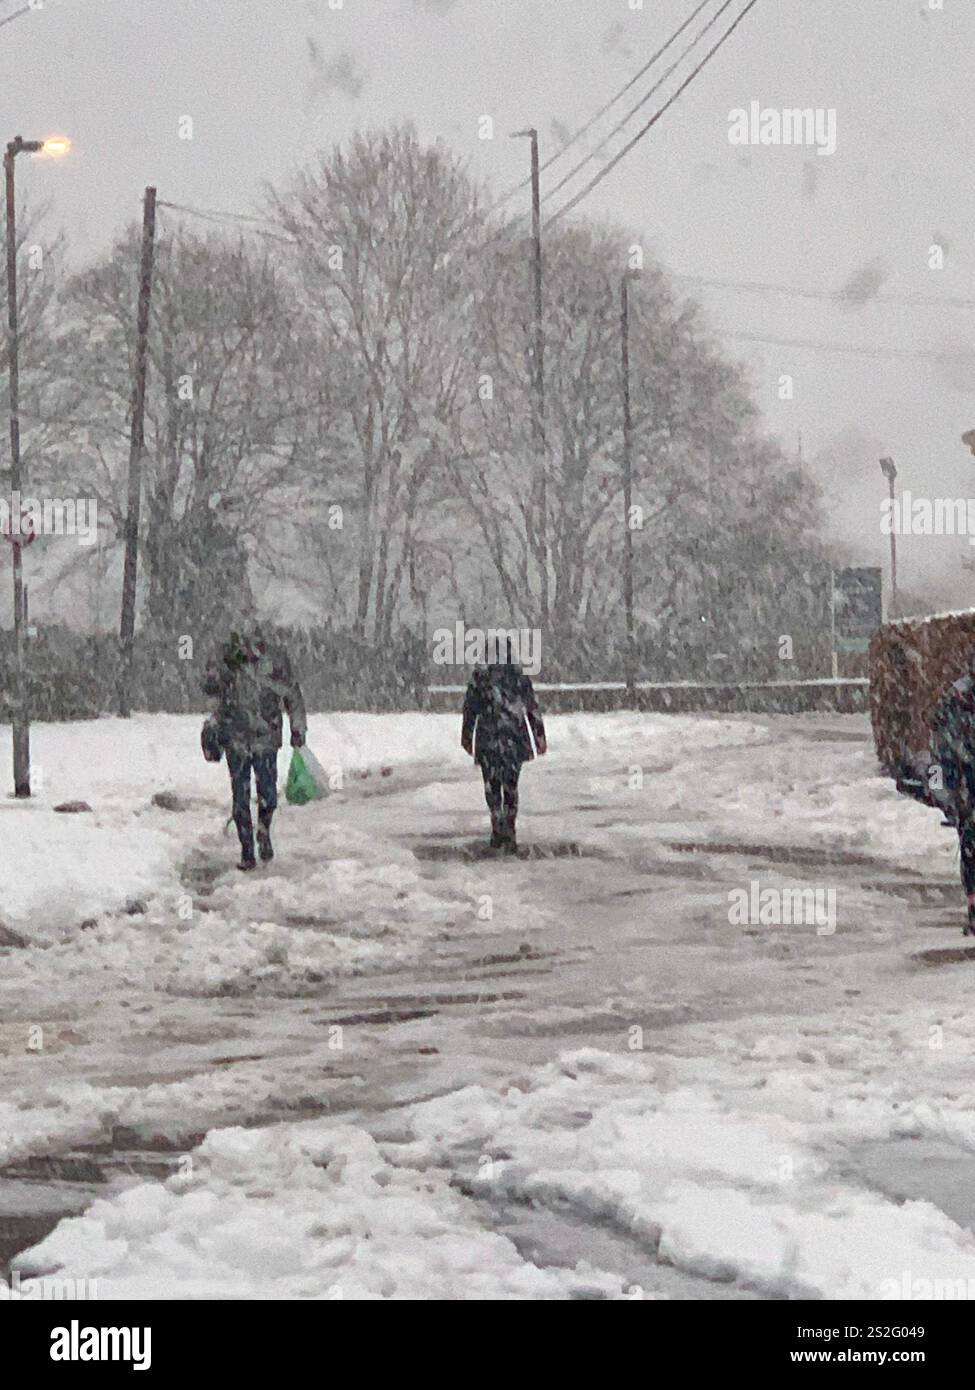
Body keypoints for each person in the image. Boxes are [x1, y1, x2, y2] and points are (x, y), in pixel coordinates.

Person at [202, 628, 307, 870]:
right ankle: (246, 851)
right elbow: (210, 691)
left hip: (266, 739)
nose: (247, 648)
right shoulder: (226, 660)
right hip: (236, 740)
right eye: (243, 644)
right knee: (240, 796)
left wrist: (298, 728)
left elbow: (293, 695)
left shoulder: (275, 662)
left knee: (268, 794)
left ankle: (264, 829)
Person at [461, 644, 546, 853]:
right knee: (510, 785)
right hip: (513, 737)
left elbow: (470, 710)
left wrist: (467, 736)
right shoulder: (518, 677)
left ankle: (497, 825)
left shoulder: (479, 678)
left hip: (489, 738)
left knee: (492, 784)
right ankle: (509, 827)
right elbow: (531, 708)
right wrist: (539, 736)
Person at [930, 655, 975, 934]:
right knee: (971, 844)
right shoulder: (955, 703)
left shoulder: (954, 702)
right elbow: (943, 752)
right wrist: (952, 795)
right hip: (965, 784)